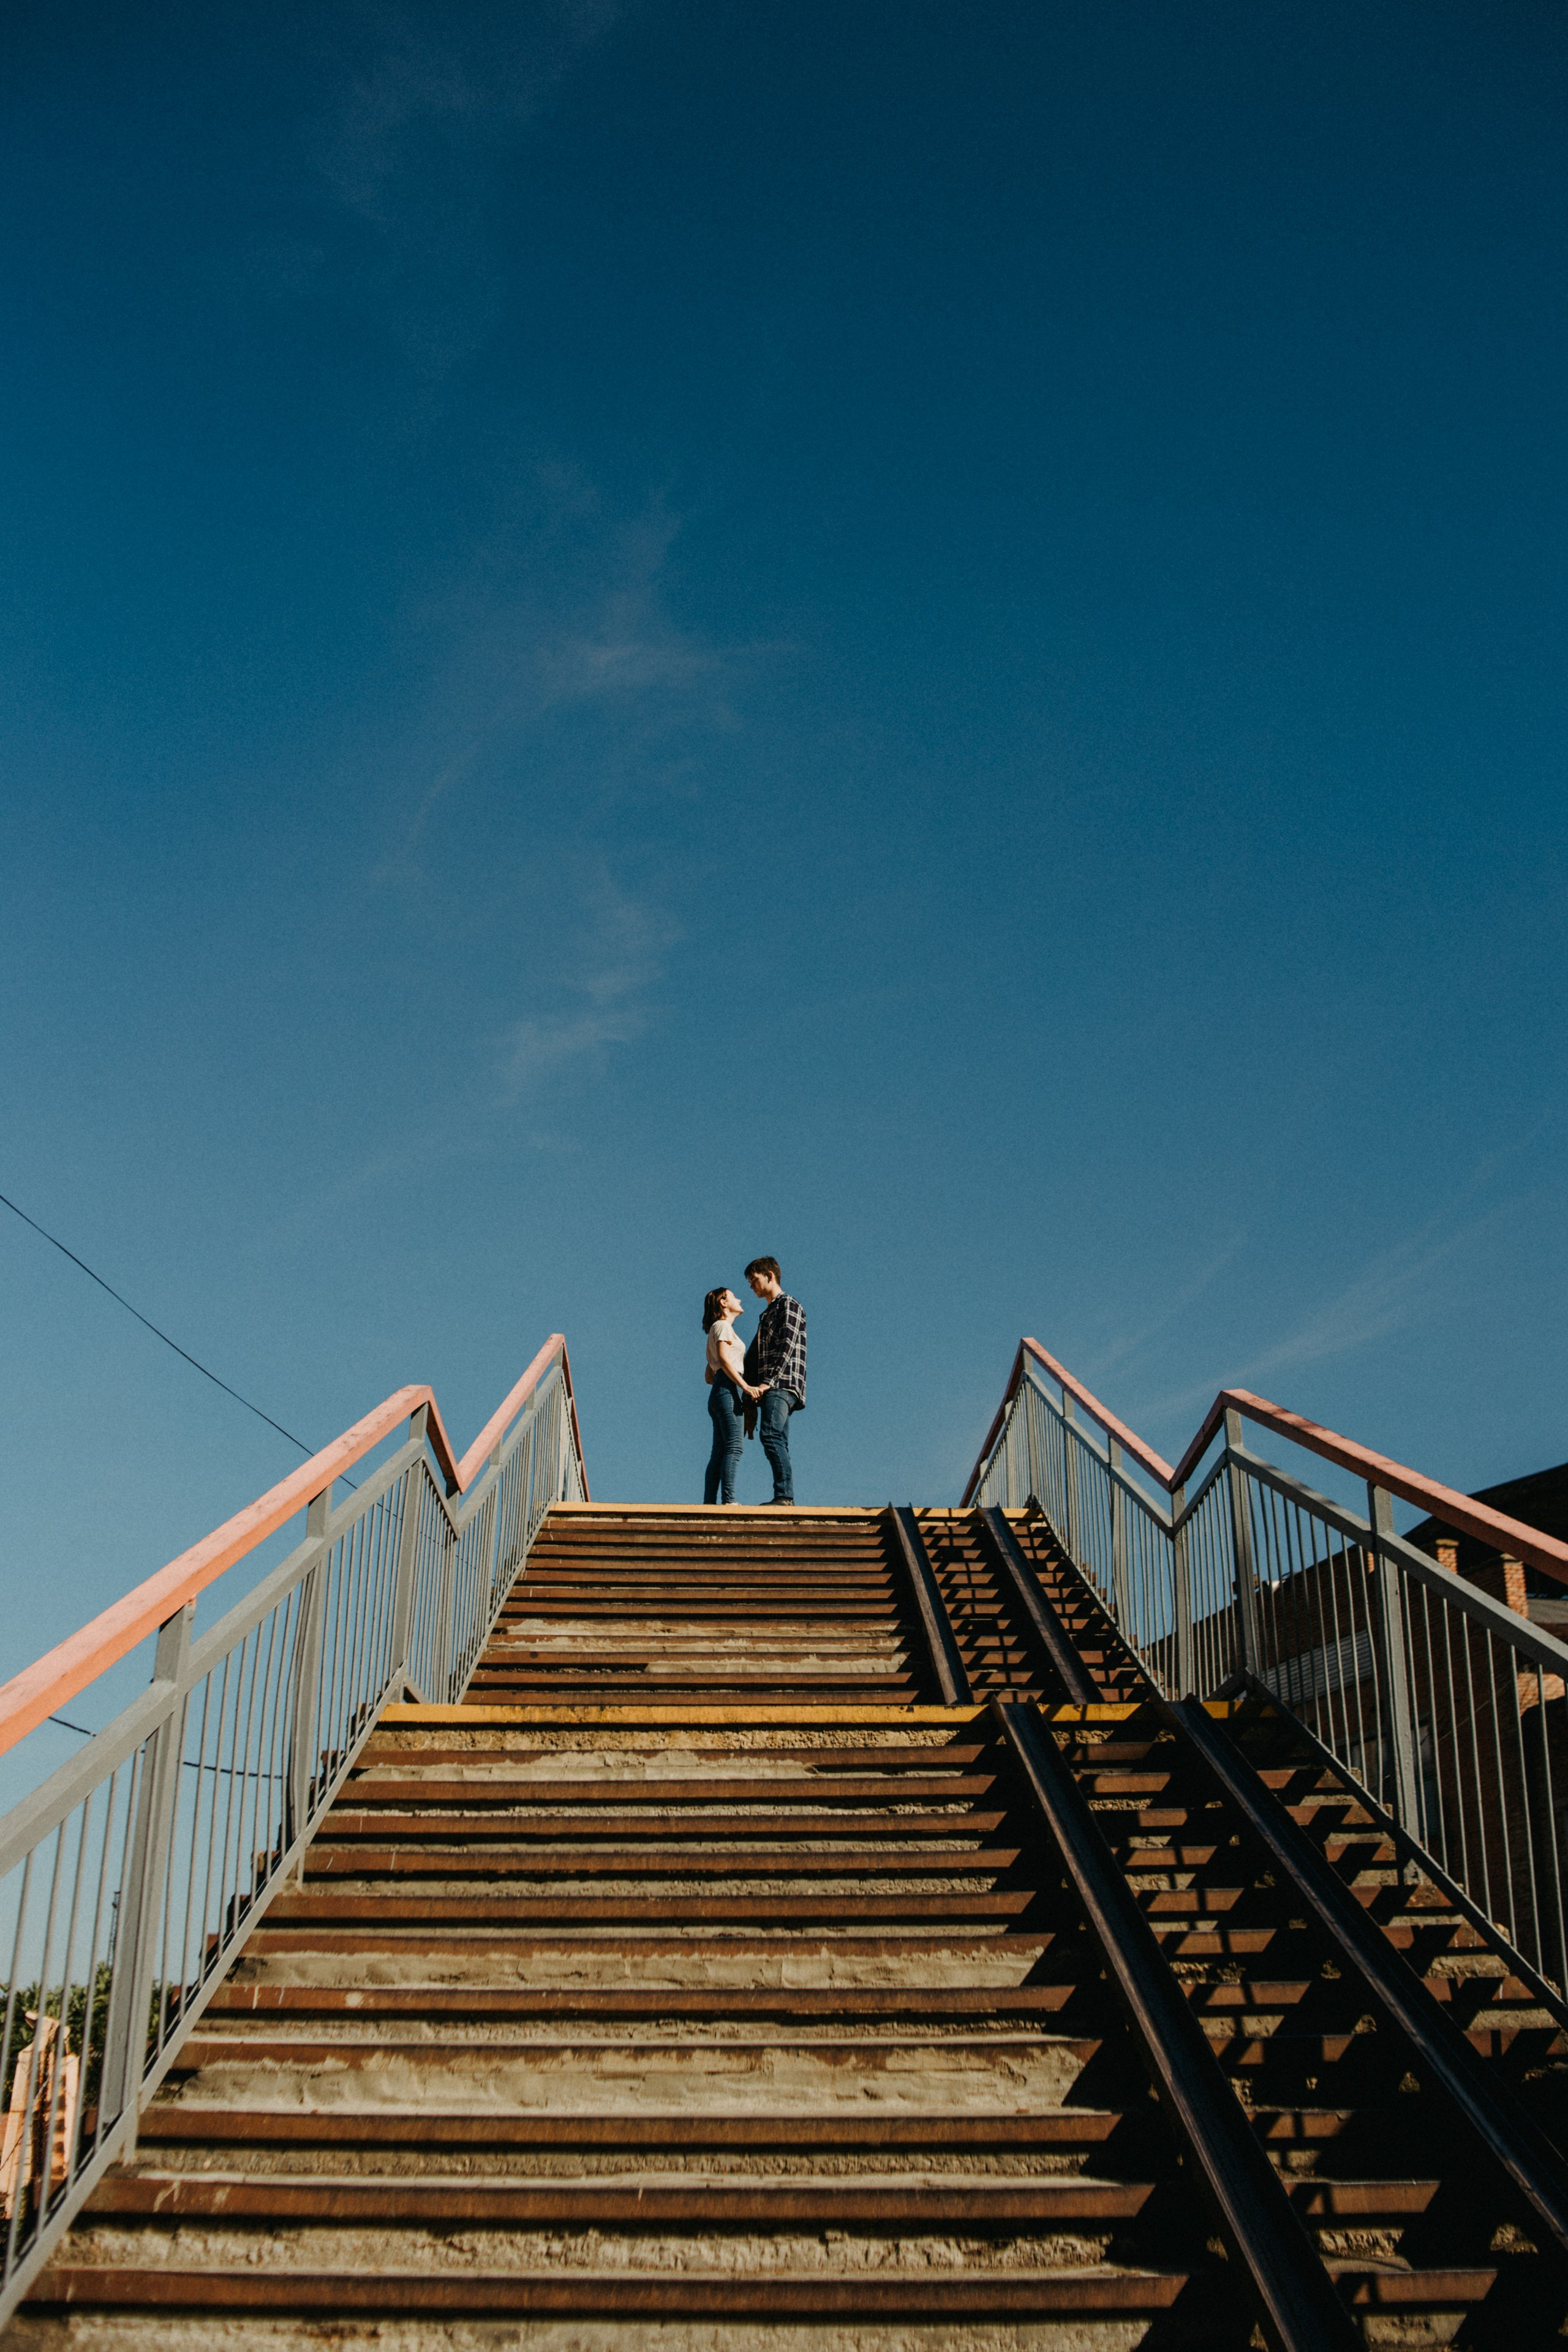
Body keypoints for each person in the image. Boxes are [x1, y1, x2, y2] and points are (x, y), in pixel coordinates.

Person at [743, 1257, 807, 1506]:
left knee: (770, 1435)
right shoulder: (766, 1313)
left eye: (754, 1280)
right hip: (771, 1386)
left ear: (770, 1275)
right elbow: (754, 1359)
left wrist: (768, 1382)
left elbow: (787, 1345)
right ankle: (784, 1496)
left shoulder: (788, 1305)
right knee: (778, 1438)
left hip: (781, 1384)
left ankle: (784, 1496)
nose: (751, 1287)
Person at [701, 1287, 759, 1506]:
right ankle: (729, 1500)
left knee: (719, 1452)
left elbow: (709, 1375)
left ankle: (709, 1503)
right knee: (735, 1446)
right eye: (734, 1296)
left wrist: (724, 1377)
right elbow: (724, 1361)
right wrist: (745, 1386)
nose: (740, 1299)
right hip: (728, 1390)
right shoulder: (724, 1326)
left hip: (718, 1390)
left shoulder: (716, 1330)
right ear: (724, 1303)